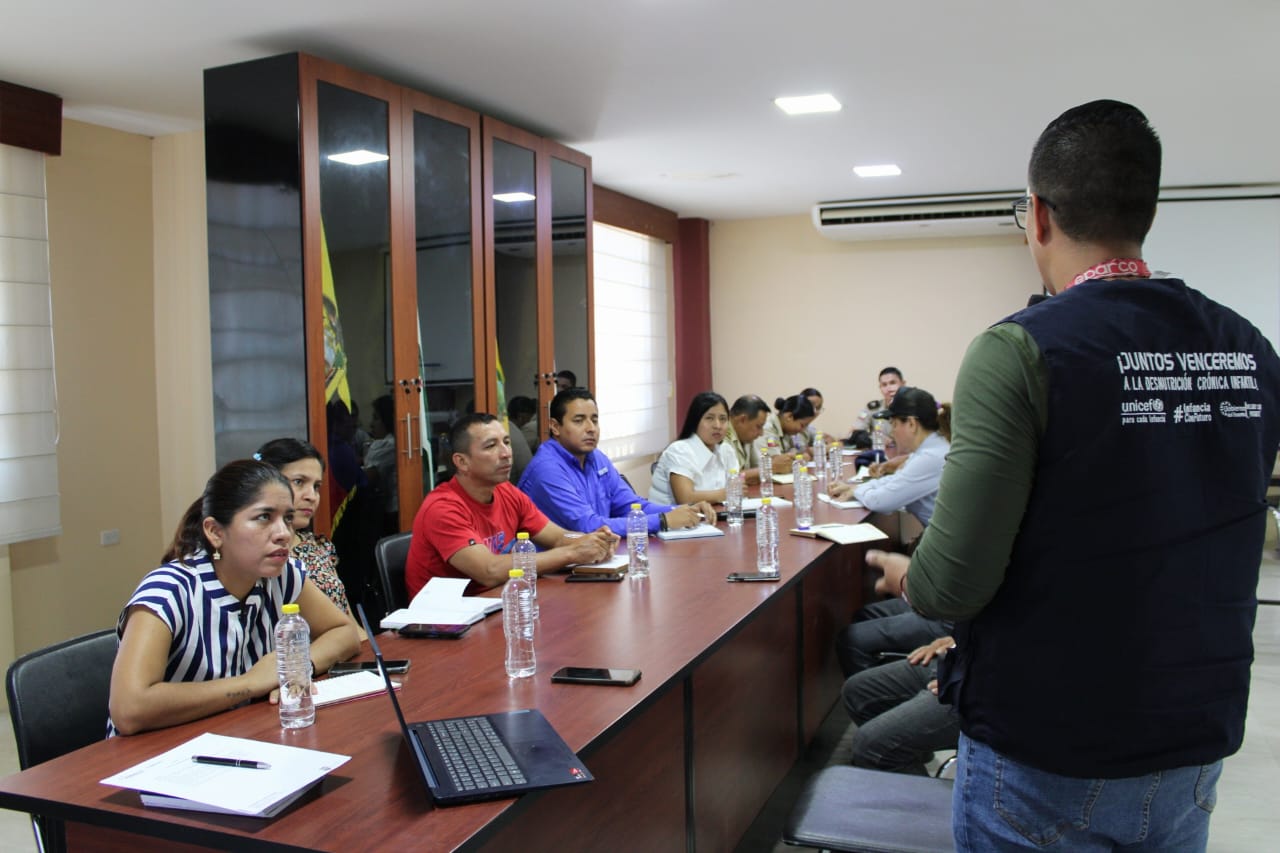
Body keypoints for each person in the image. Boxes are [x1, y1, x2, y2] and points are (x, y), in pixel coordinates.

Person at [869, 100, 1280, 851]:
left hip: (1051, 740)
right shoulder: (1248, 346)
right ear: (1147, 210)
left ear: (1037, 214)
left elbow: (949, 587)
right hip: (1195, 726)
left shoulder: (1020, 349)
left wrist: (906, 572)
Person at [107, 460, 360, 736]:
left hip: (239, 733)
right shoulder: (169, 591)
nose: (283, 534)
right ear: (215, 532)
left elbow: (344, 632)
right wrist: (249, 684)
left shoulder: (282, 575)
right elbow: (129, 709)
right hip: (160, 751)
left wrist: (295, 668)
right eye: (264, 517)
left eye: (287, 519)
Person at [404, 412, 618, 598]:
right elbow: (489, 571)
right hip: (446, 620)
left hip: (500, 602)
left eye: (506, 442)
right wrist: (573, 553)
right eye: (491, 446)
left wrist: (593, 541)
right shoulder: (443, 507)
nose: (506, 453)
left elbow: (558, 537)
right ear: (462, 462)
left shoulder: (506, 491)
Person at [519, 388, 713, 536]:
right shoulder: (547, 469)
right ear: (555, 427)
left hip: (594, 558)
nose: (591, 428)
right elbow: (588, 525)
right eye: (579, 421)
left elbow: (632, 506)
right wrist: (662, 520)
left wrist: (684, 510)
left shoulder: (596, 458)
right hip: (551, 571)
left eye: (594, 420)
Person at [829, 387, 951, 529]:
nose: (892, 432)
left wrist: (856, 491)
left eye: (894, 424)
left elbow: (881, 502)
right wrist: (854, 487)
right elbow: (894, 481)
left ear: (911, 424)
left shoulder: (929, 457)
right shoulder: (931, 448)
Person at [842, 636, 959, 775]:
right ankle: (915, 760)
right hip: (963, 659)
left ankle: (913, 785)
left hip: (977, 686)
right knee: (858, 690)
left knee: (872, 744)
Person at [650, 391, 738, 506]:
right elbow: (686, 499)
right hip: (672, 517)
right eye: (709, 418)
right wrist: (724, 494)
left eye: (723, 419)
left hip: (713, 514)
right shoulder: (680, 451)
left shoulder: (726, 450)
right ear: (695, 421)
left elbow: (736, 488)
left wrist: (730, 493)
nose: (717, 425)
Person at [362, 395, 399, 535]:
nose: (372, 424)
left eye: (376, 418)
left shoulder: (388, 444)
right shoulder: (389, 442)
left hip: (394, 512)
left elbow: (366, 480)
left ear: (387, 420)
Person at [846, 367, 903, 449]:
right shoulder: (873, 408)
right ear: (880, 388)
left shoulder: (913, 407)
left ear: (903, 384)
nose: (889, 389)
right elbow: (853, 433)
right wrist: (875, 438)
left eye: (893, 383)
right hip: (882, 452)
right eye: (884, 385)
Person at [760, 393, 816, 473]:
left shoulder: (787, 430)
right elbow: (779, 463)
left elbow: (797, 452)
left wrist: (799, 456)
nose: (802, 430)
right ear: (789, 417)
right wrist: (799, 458)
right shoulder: (767, 428)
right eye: (802, 425)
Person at [725, 395, 770, 486]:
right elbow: (728, 478)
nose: (761, 433)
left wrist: (750, 474)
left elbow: (756, 468)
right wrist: (768, 468)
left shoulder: (746, 436)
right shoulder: (722, 435)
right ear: (743, 420)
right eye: (758, 426)